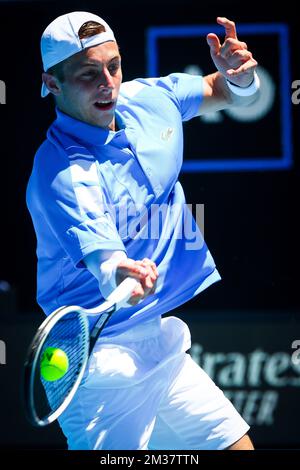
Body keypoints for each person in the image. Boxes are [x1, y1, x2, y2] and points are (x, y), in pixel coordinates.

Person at [26, 11, 259, 450]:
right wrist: (123, 273)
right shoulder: (60, 170)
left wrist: (239, 77)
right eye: (88, 74)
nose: (107, 82)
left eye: (113, 66)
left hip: (157, 340)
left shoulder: (148, 98)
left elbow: (223, 90)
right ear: (52, 84)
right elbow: (105, 260)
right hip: (98, 362)